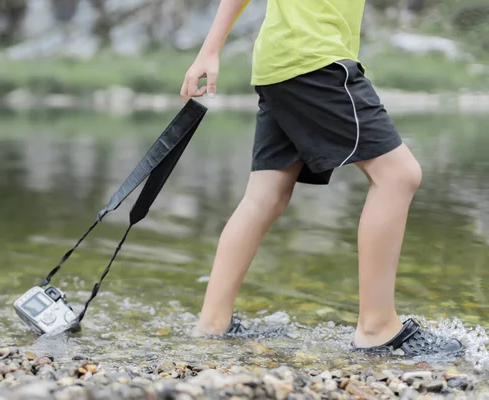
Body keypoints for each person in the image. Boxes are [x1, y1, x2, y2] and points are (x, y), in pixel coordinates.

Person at [180, 0, 462, 356]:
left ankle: (212, 324)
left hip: (284, 62)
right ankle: (377, 327)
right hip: (312, 59)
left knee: (266, 195)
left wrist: (211, 51)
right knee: (398, 175)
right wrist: (209, 51)